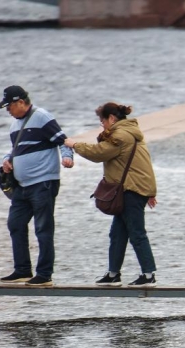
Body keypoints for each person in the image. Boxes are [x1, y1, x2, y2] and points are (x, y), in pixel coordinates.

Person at [64, 103, 159, 286]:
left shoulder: (121, 135)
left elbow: (99, 153)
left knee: (137, 234)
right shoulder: (130, 133)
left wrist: (74, 144)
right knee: (117, 234)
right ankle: (113, 274)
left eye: (103, 121)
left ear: (112, 119)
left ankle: (148, 275)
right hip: (131, 189)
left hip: (131, 190)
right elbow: (144, 164)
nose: (103, 125)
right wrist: (149, 191)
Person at [0, 85, 74, 286]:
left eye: (9, 106)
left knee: (43, 228)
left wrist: (67, 157)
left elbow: (63, 140)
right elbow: (17, 150)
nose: (8, 111)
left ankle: (44, 274)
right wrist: (7, 159)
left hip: (43, 183)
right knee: (15, 224)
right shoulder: (15, 125)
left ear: (20, 102)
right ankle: (22, 270)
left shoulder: (42, 117)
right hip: (22, 186)